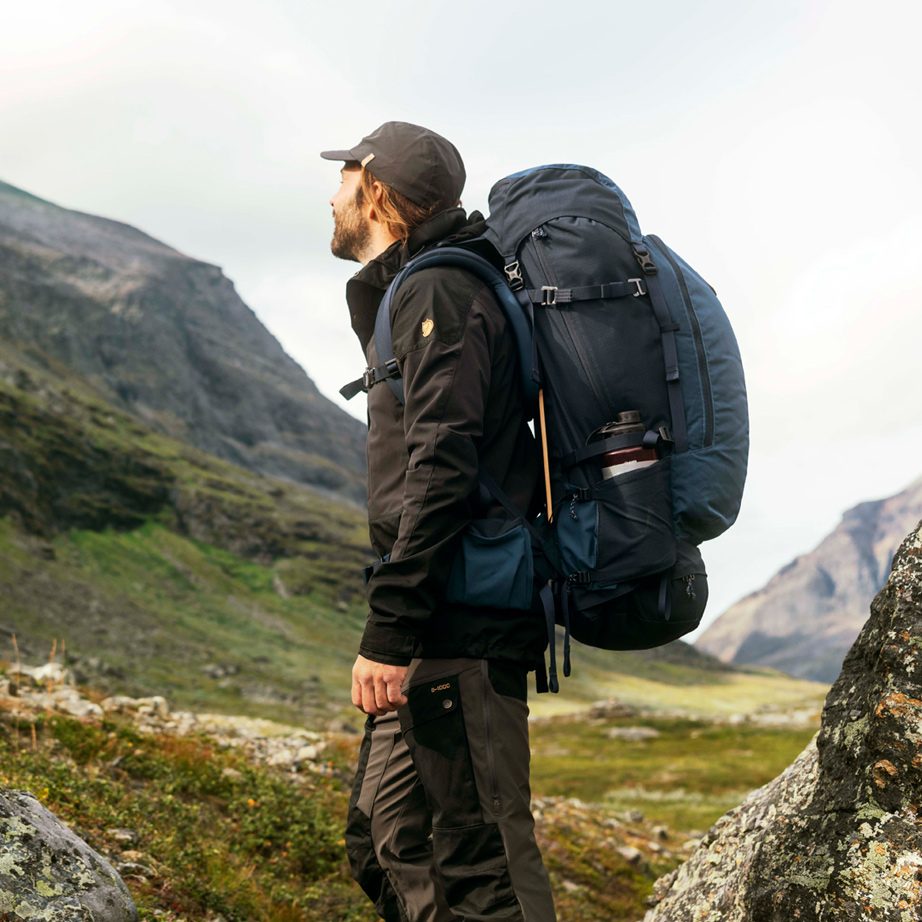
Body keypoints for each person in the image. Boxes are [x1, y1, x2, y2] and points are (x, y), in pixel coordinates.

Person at [321, 121, 557, 921]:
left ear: (378, 193)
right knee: (386, 840)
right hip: (436, 624)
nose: (333, 196)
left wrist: (387, 631)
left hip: (464, 622)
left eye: (346, 180)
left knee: (482, 862)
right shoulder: (415, 289)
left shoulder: (438, 291)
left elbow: (442, 465)